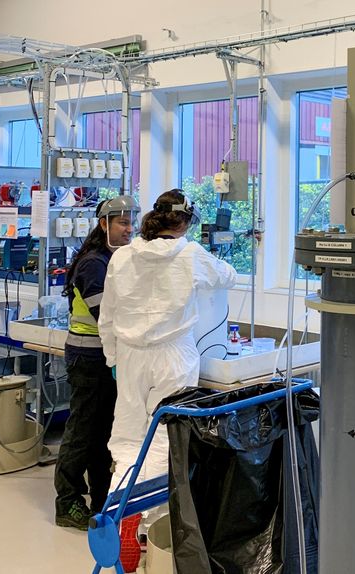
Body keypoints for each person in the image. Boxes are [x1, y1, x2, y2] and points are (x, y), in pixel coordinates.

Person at [99, 189, 236, 570]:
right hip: (173, 356)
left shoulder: (122, 257)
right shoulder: (190, 255)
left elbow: (106, 316)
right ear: (186, 223)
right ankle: (146, 524)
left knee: (126, 437)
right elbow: (230, 275)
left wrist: (113, 358)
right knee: (163, 438)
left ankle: (119, 509)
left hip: (129, 356)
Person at [54, 196, 140, 531]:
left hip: (104, 360)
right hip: (88, 359)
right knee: (82, 433)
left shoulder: (115, 260)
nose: (128, 229)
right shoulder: (94, 264)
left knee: (102, 433)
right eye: (122, 223)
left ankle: (102, 501)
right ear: (103, 224)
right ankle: (68, 502)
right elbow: (106, 316)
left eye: (131, 222)